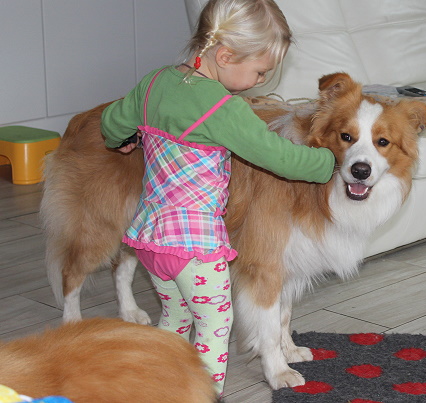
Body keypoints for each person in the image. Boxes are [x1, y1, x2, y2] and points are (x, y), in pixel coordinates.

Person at [101, 0, 335, 397]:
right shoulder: (223, 110)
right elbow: (280, 158)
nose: (261, 80)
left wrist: (123, 138)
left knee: (175, 319)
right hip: (194, 245)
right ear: (225, 56)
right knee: (214, 328)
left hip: (151, 238)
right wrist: (330, 162)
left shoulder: (154, 83)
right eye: (260, 71)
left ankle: (158, 385)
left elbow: (112, 122)